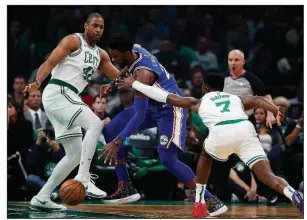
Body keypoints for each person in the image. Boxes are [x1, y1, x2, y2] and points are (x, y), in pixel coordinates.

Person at [116, 73, 303, 217]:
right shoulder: (235, 98)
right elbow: (258, 100)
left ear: (205, 88)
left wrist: (134, 83)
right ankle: (292, 193)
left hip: (221, 132)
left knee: (205, 155)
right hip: (245, 130)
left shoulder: (200, 101)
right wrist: (275, 109)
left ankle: (199, 201)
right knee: (268, 175)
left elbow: (166, 97)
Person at [99, 32, 227, 217]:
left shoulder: (143, 75)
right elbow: (127, 67)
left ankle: (211, 200)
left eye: (116, 56)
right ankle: (125, 186)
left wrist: (117, 142)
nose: (113, 60)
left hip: (171, 110)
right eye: (112, 56)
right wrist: (113, 83)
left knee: (168, 160)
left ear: (126, 52)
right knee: (110, 129)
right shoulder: (135, 49)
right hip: (153, 104)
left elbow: (138, 115)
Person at [23, 12, 125, 212]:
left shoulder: (101, 54)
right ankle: (84, 178)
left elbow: (118, 76)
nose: (98, 30)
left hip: (68, 98)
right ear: (85, 25)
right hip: (58, 91)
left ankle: (42, 197)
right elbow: (50, 62)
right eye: (94, 25)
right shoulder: (73, 40)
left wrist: (140, 74)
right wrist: (37, 80)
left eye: (101, 27)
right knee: (95, 123)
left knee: (75, 154)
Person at [224, 49, 276, 127]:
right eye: (230, 60)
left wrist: (270, 114)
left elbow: (266, 97)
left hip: (247, 120)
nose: (233, 63)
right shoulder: (222, 77)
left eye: (236, 60)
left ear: (243, 62)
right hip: (226, 121)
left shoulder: (252, 79)